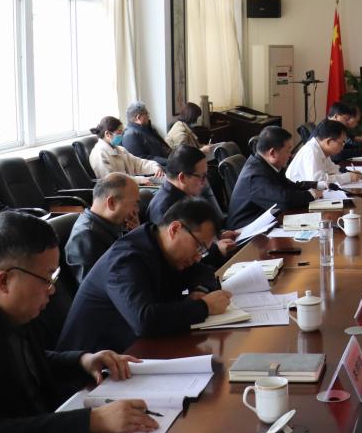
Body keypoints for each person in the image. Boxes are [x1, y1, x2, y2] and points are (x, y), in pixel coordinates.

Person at [0, 211, 158, 433]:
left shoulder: (7, 307)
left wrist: (82, 361)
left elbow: (25, 364)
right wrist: (93, 422)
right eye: (47, 278)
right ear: (4, 281)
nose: (52, 289)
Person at [57, 198, 231, 353]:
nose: (198, 257)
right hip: (93, 366)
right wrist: (204, 306)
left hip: (132, 351)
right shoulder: (127, 260)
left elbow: (202, 271)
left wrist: (200, 290)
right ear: (175, 229)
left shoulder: (162, 247)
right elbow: (144, 321)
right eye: (199, 247)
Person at [148, 145, 236, 263]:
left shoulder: (185, 193)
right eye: (202, 176)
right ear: (182, 177)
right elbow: (179, 258)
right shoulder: (164, 208)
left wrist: (217, 235)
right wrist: (216, 249)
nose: (205, 182)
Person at [227, 126, 318, 230]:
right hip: (245, 231)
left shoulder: (267, 165)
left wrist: (316, 185)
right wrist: (312, 194)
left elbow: (289, 187)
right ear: (272, 153)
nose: (290, 155)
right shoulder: (255, 175)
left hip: (265, 220)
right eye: (288, 150)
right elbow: (284, 201)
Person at [64, 173, 141, 284]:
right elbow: (98, 288)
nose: (137, 210)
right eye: (134, 204)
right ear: (112, 203)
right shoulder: (86, 238)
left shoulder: (112, 224)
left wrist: (136, 234)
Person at [88, 116, 163, 182]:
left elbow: (138, 163)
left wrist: (154, 166)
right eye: (119, 133)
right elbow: (112, 181)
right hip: (117, 191)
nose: (121, 136)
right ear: (107, 134)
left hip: (130, 185)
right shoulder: (99, 154)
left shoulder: (120, 150)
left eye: (122, 133)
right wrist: (140, 180)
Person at [288, 119, 351, 186]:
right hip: (295, 190)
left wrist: (350, 174)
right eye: (342, 143)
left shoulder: (322, 149)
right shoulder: (311, 151)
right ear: (329, 141)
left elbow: (331, 168)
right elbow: (317, 182)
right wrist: (346, 178)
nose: (342, 147)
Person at [121, 101, 172, 165]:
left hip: (168, 160)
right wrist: (169, 161)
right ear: (138, 117)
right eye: (147, 114)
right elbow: (142, 160)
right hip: (159, 167)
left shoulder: (148, 128)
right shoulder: (130, 136)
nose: (148, 116)